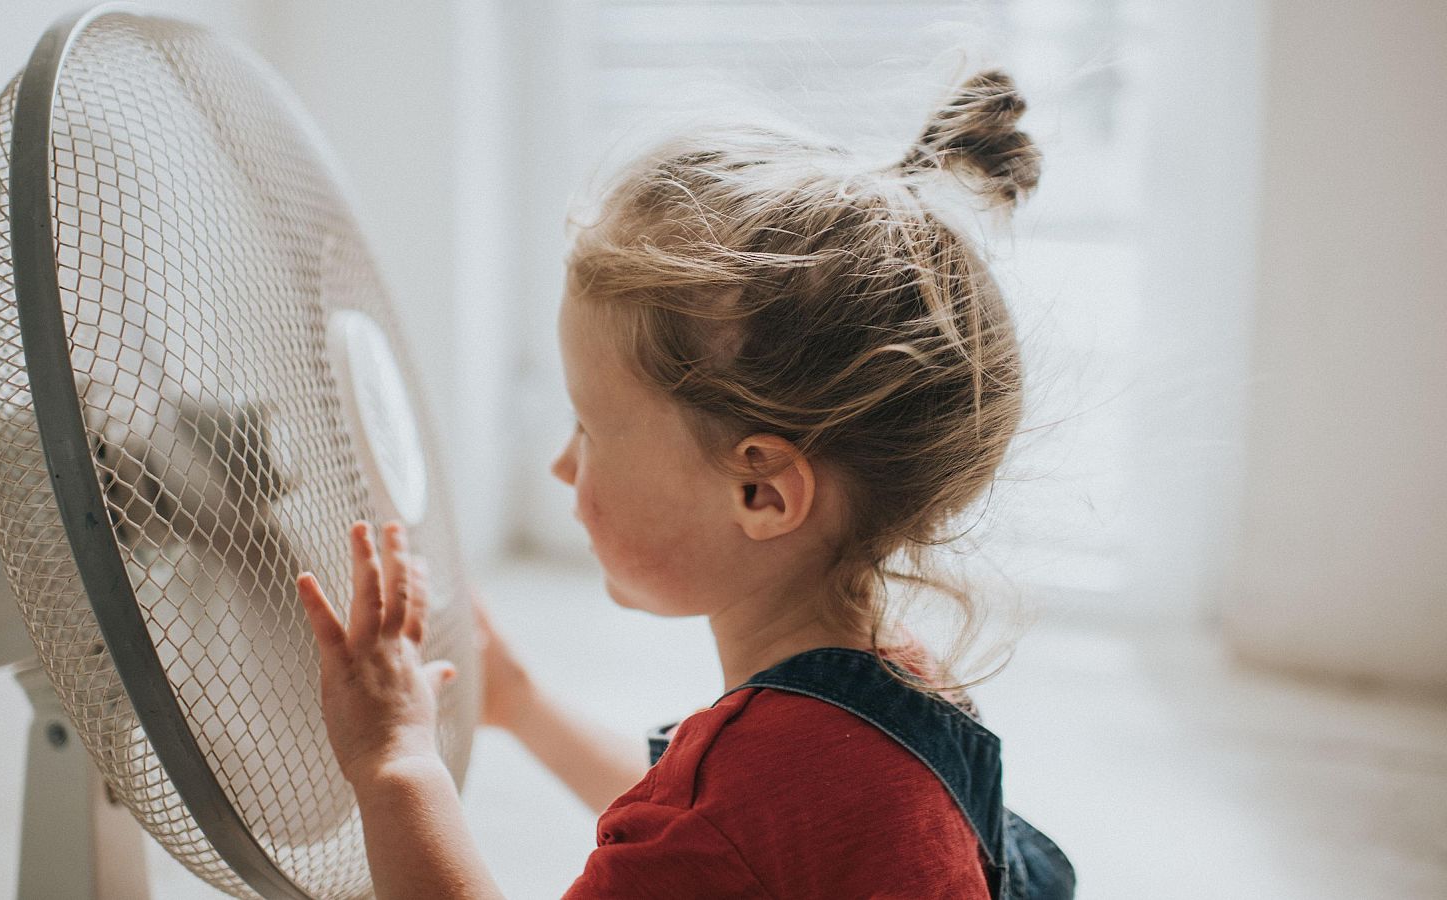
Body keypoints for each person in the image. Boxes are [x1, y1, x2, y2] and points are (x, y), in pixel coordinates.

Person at [295, 68, 1075, 899]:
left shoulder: (741, 801)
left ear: (762, 494)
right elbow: (708, 840)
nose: (563, 465)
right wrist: (522, 704)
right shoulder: (900, 692)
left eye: (590, 431)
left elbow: (710, 830)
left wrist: (395, 766)